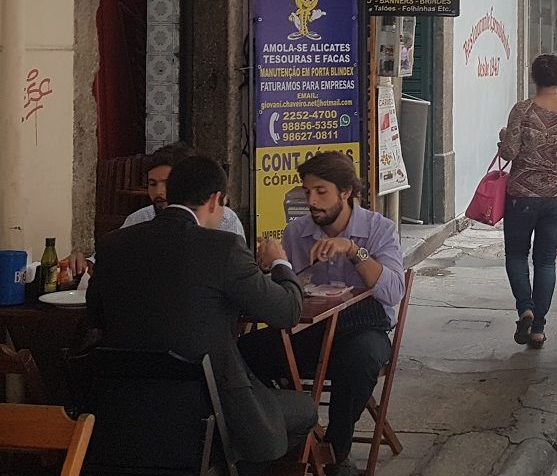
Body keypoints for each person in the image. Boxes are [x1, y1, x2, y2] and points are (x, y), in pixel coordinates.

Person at [87, 156, 315, 474]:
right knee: (304, 410)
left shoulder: (113, 244)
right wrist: (280, 263)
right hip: (206, 409)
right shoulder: (224, 248)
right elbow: (287, 311)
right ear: (214, 199)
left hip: (123, 412)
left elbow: (96, 315)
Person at [240, 151, 405, 476]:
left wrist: (353, 250)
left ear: (345, 192)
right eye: (307, 192)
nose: (312, 201)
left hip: (363, 329)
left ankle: (335, 452)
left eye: (321, 192)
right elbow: (285, 292)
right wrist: (272, 266)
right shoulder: (297, 231)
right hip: (312, 330)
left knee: (360, 359)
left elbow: (393, 291)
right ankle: (288, 434)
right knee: (241, 353)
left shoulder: (379, 229)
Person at [496, 54, 557, 349]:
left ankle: (525, 309)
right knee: (546, 260)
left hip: (522, 196)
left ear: (533, 77)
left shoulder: (522, 110)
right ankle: (538, 328)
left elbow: (508, 153)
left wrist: (503, 137)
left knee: (516, 255)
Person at [64, 142, 245, 277]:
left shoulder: (224, 221)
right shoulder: (139, 219)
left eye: (167, 184)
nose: (159, 192)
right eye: (152, 184)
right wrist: (83, 264)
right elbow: (106, 262)